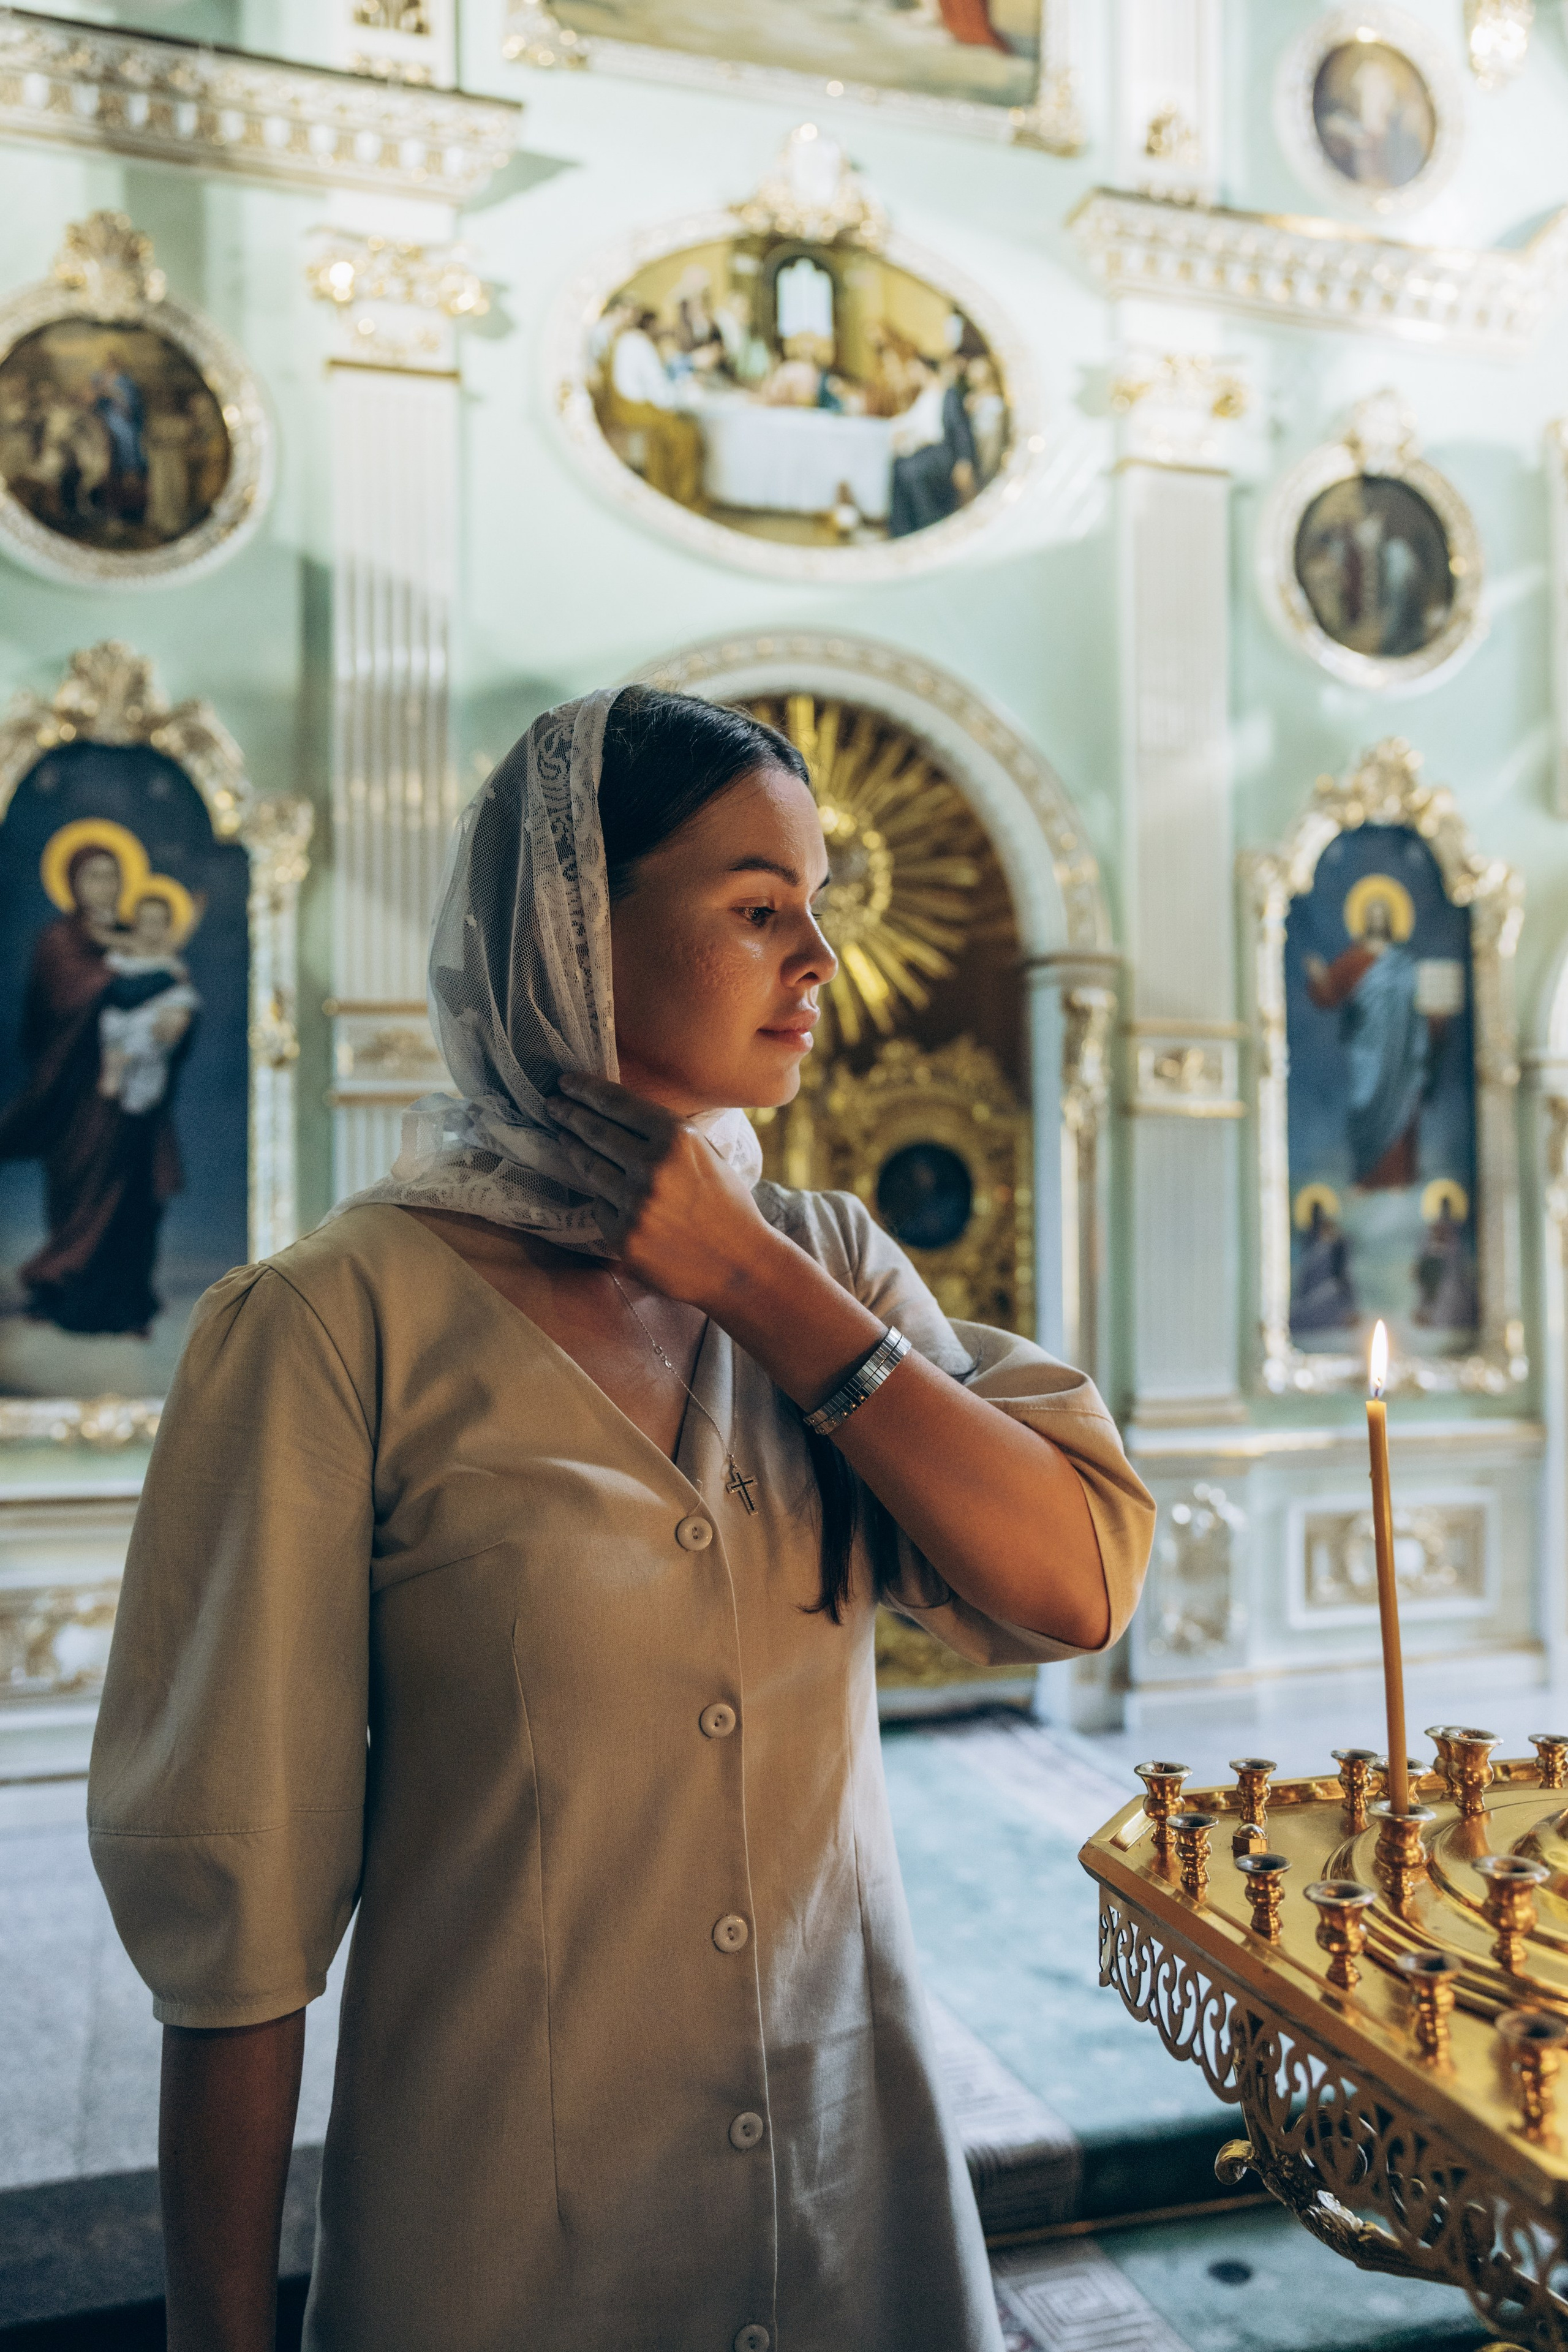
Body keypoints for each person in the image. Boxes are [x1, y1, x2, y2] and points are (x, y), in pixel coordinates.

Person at [88, 687, 1153, 2352]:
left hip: (851, 2202)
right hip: (509, 2236)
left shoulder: (832, 1264)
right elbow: (238, 1926)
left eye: (819, 908)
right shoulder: (332, 1322)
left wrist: (749, 1277)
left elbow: (1072, 1586)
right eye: (755, 908)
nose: (819, 959)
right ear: (572, 923)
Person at [0, 843, 191, 1333]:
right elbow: (67, 999)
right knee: (77, 1189)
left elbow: (174, 1001)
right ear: (73, 884)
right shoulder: (59, 941)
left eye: (112, 876)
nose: (104, 887)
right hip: (75, 1091)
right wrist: (153, 978)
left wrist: (179, 1017)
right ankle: (59, 1292)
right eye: (93, 877)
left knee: (132, 1194)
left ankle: (125, 1303)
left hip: (132, 1095)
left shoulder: (134, 936)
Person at [1304, 887, 1439, 1189]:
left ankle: (1400, 1178)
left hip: (1402, 1051)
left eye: (1382, 915)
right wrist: (1318, 978)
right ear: (1364, 920)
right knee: (1367, 1105)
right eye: (1372, 915)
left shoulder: (1404, 962)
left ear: (1391, 920)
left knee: (1403, 1104)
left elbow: (1424, 1009)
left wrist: (1436, 1024)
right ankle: (1367, 1177)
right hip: (1368, 1050)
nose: (1377, 921)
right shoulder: (1353, 961)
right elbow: (1328, 996)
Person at [97, 892, 200, 1115]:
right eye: (146, 921)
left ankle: (132, 1084)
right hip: (121, 1022)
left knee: (146, 1084)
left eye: (159, 922)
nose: (152, 928)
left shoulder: (169, 958)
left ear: (167, 926)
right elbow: (112, 987)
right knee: (143, 1023)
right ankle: (119, 1065)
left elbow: (183, 999)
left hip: (154, 1038)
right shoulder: (124, 954)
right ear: (136, 924)